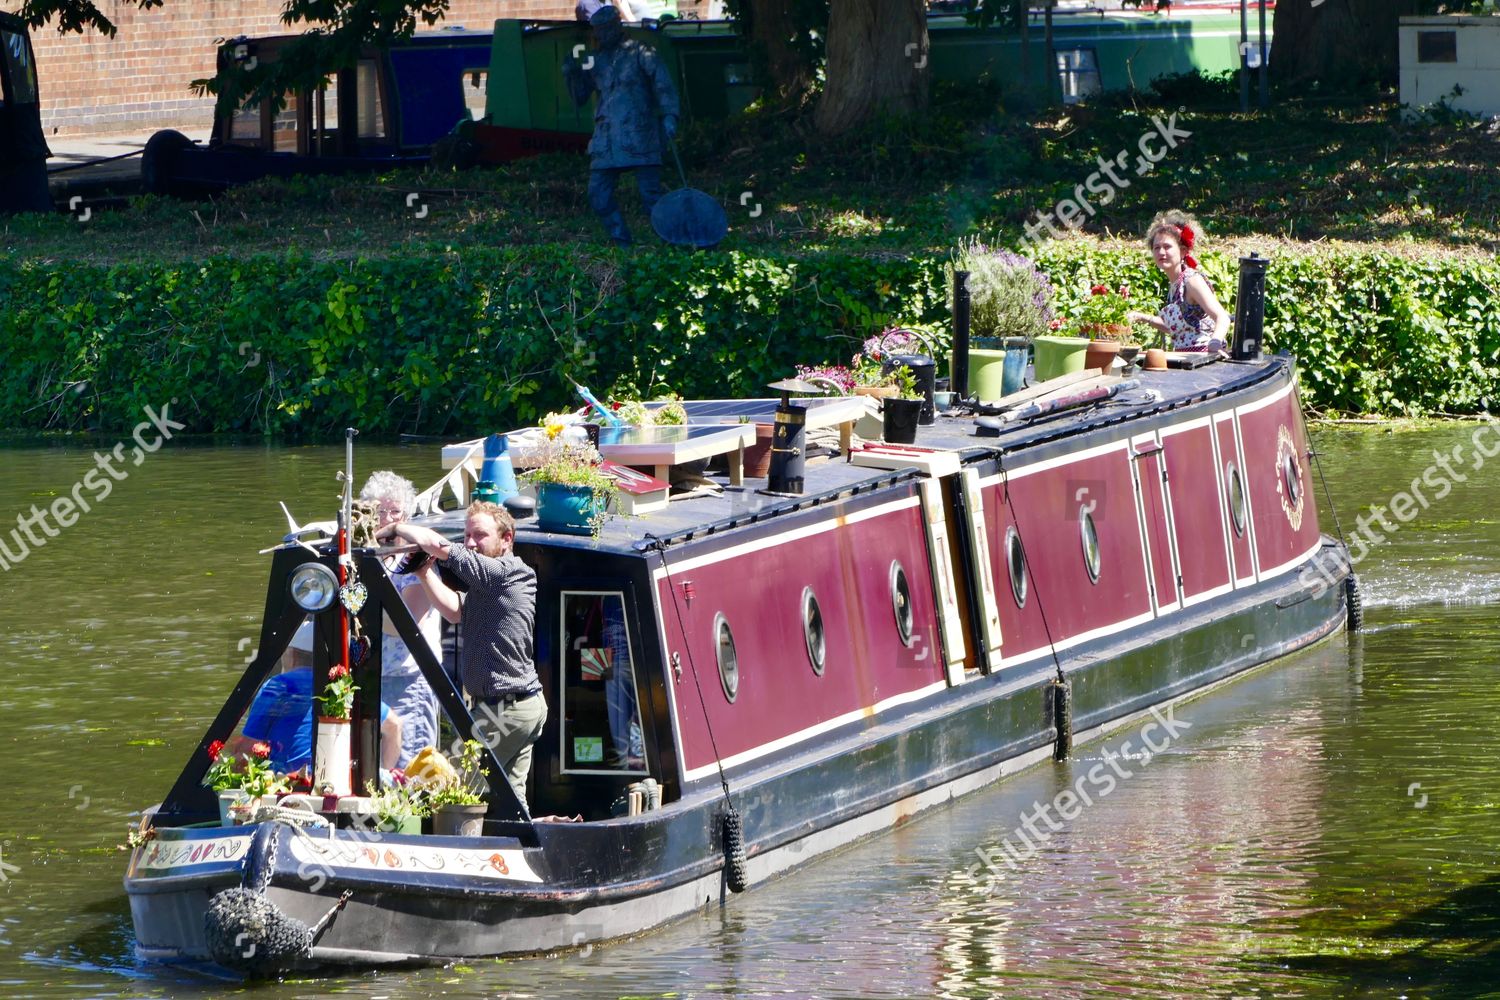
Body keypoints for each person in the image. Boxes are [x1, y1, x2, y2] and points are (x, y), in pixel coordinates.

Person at [378, 502, 545, 811]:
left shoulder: (507, 572)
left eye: (479, 535)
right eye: (467, 535)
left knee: (453, 787)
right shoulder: (490, 584)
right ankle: (524, 847)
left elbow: (439, 545)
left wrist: (395, 529)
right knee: (509, 797)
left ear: (507, 539)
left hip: (508, 708)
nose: (470, 542)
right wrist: (424, 572)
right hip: (517, 705)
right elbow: (456, 612)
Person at [562, 4, 681, 247]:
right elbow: (580, 96)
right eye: (597, 30)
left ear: (617, 26)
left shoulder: (640, 52)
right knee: (598, 194)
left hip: (639, 134)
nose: (600, 35)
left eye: (605, 29)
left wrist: (670, 116)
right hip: (607, 139)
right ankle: (621, 239)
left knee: (651, 197)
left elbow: (663, 85)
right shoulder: (595, 61)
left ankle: (670, 242)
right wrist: (571, 74)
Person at [233, 621, 402, 775]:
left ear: (291, 655)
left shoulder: (277, 686)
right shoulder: (343, 687)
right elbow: (394, 725)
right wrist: (382, 775)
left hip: (286, 783)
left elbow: (248, 748)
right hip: (338, 780)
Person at [361, 470, 441, 769]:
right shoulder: (366, 558)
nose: (388, 519)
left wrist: (357, 608)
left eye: (395, 511)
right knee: (370, 766)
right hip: (369, 677)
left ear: (406, 514)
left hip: (408, 681)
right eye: (380, 511)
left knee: (409, 769)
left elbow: (405, 624)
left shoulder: (414, 559)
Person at [1126, 210, 1230, 353]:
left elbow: (1222, 317)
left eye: (1167, 247)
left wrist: (1215, 342)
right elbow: (1174, 328)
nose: (1161, 252)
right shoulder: (1175, 285)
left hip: (1203, 359)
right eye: (1157, 248)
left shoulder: (1192, 280)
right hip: (1184, 360)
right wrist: (1140, 317)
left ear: (1182, 251)